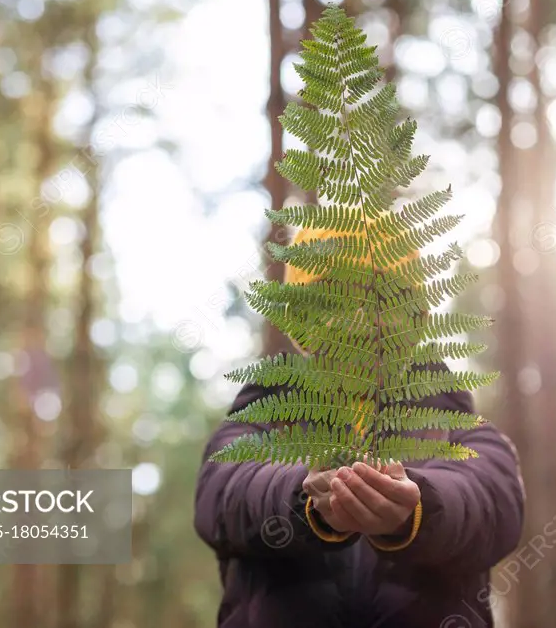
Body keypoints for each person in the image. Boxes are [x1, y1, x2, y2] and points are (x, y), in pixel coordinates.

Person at [195, 227, 526, 628]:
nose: (359, 315)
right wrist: (303, 500)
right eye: (334, 295)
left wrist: (416, 509)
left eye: (381, 296)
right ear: (301, 316)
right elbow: (223, 494)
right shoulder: (265, 412)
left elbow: (490, 503)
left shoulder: (457, 425)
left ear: (413, 314)